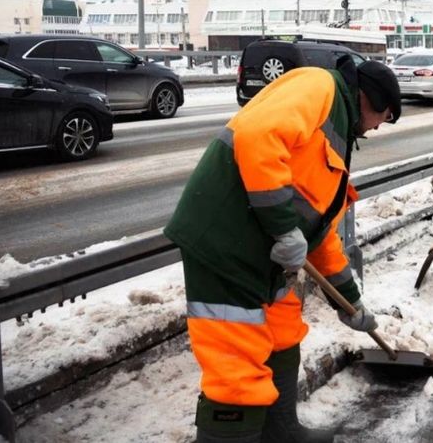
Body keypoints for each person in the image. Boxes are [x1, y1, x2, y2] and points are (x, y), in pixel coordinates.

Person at [164, 57, 402, 443]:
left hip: (264, 252)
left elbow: (321, 236)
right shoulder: (319, 86)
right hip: (226, 242)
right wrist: (282, 227)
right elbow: (258, 136)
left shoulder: (336, 130)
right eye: (384, 118)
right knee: (237, 360)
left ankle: (281, 432)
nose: (377, 128)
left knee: (283, 331)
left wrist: (351, 303)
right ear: (373, 99)